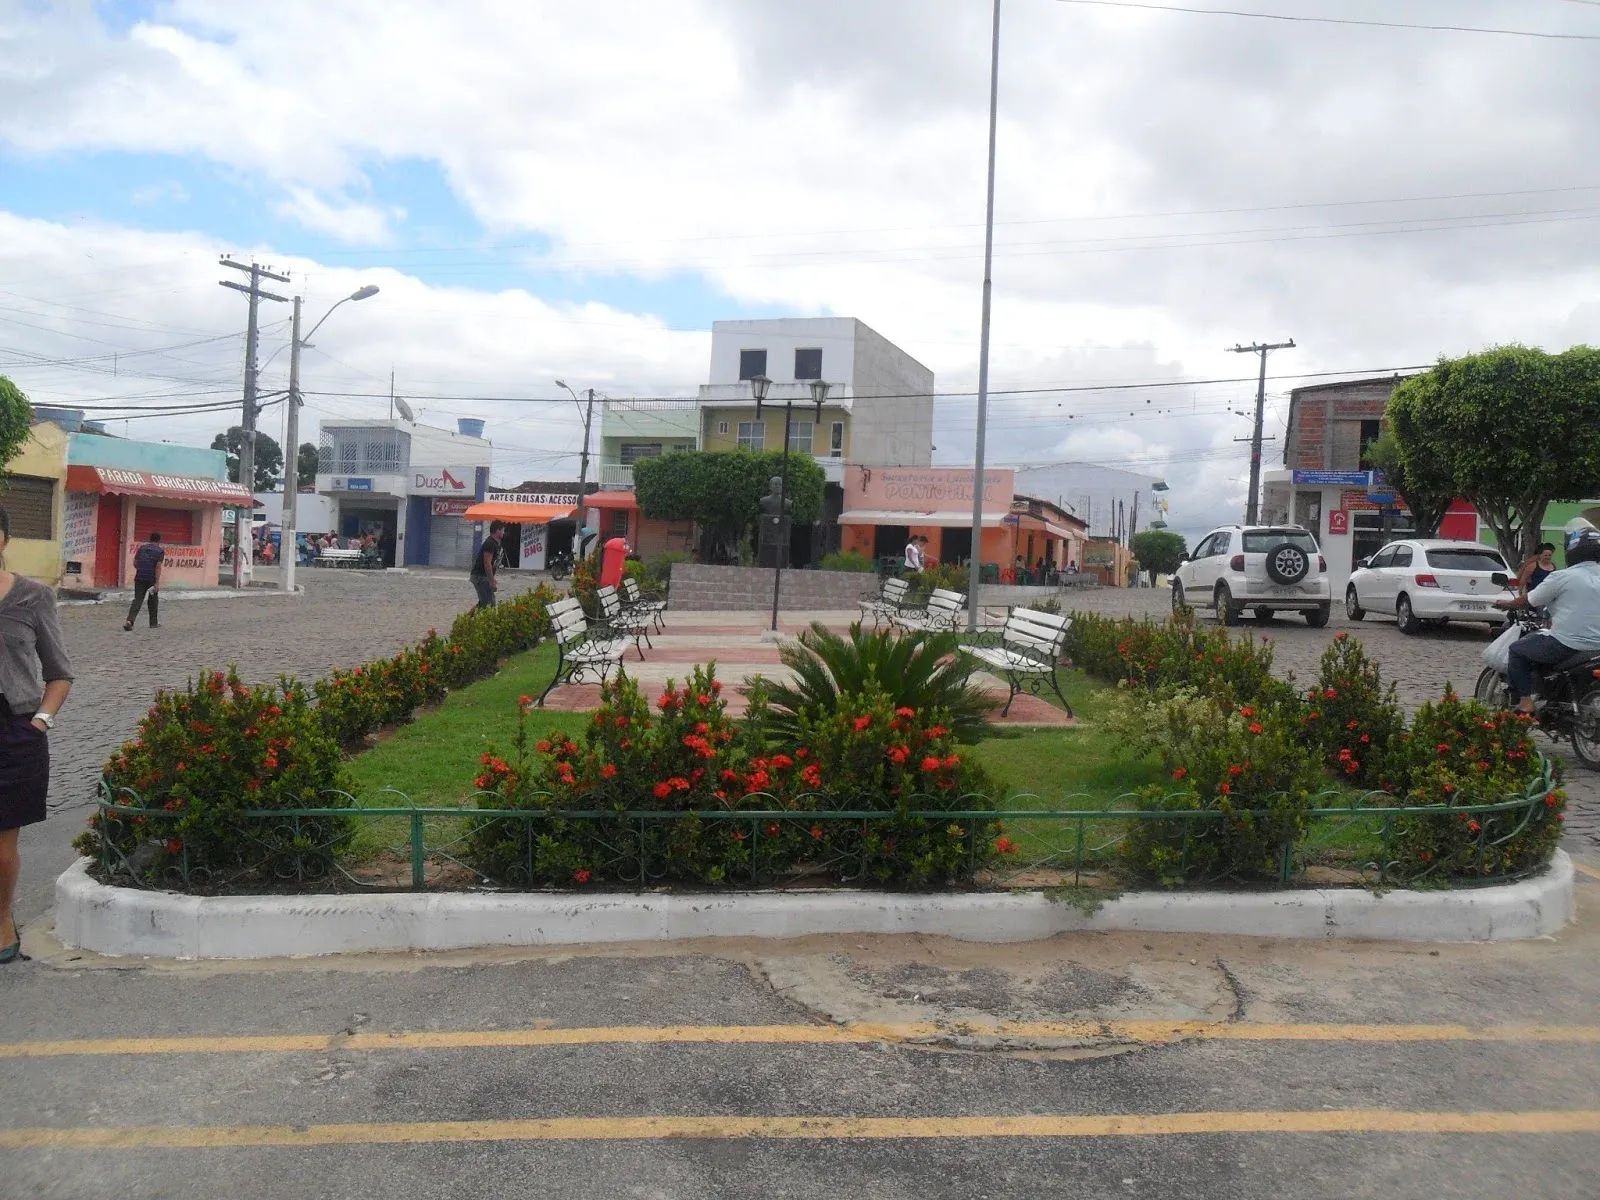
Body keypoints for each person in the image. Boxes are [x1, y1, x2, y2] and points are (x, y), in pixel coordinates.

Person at [0, 505, 74, 963]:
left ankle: (2, 917)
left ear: (4, 539)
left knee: (3, 841)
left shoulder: (32, 598)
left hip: (13, 730)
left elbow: (59, 672)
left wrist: (41, 721)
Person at [1496, 525, 1600, 715]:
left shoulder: (1562, 576)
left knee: (1517, 651)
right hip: (1597, 648)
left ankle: (1526, 702)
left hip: (1568, 643)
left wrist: (1507, 604)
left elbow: (1529, 600)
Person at [123, 531, 164, 632]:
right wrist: (157, 582)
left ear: (150, 539)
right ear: (159, 541)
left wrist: (141, 570)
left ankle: (130, 620)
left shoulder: (142, 548)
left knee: (137, 600)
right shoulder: (159, 551)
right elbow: (158, 567)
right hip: (151, 579)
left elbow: (135, 562)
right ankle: (153, 623)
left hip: (140, 578)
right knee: (153, 600)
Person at [473, 520, 504, 609]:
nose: (503, 533)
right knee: (490, 603)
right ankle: (464, 621)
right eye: (502, 530)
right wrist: (491, 581)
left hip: (482, 576)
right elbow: (487, 563)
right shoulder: (490, 543)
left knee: (483, 603)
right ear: (497, 531)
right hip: (480, 576)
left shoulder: (494, 543)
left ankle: (463, 621)